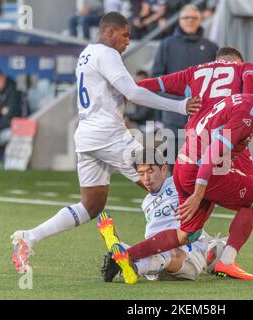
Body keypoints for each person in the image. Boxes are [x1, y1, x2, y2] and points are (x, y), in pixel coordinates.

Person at [10, 12, 201, 274]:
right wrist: (179, 105)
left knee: (91, 206)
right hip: (108, 135)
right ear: (110, 32)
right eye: (125, 35)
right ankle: (176, 247)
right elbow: (132, 92)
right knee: (161, 180)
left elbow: (120, 93)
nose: (127, 42)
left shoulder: (86, 53)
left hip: (87, 136)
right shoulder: (107, 53)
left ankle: (28, 237)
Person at [105, 72, 253, 286]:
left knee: (187, 234)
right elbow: (212, 154)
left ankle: (125, 256)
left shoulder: (239, 99)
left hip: (184, 163)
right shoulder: (246, 116)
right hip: (203, 171)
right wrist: (198, 193)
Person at [138, 46, 253, 279]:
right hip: (228, 144)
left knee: (190, 217)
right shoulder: (243, 68)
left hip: (192, 147)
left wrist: (121, 90)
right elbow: (251, 92)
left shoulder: (195, 72)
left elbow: (154, 84)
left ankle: (151, 253)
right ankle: (225, 259)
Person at [99, 148, 226, 283]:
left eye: (150, 171)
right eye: (141, 173)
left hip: (182, 252)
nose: (146, 178)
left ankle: (127, 260)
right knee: (158, 252)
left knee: (166, 253)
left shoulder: (179, 181)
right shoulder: (146, 202)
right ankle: (126, 260)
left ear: (164, 169)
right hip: (158, 250)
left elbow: (206, 173)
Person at [152, 4, 218, 171]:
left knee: (201, 166)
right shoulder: (166, 45)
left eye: (194, 18)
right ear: (179, 21)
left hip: (203, 116)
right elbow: (158, 78)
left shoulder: (211, 47)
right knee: (174, 165)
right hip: (174, 115)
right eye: (186, 18)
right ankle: (175, 197)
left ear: (200, 20)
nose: (190, 21)